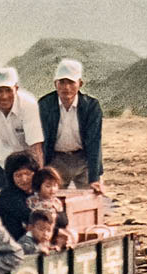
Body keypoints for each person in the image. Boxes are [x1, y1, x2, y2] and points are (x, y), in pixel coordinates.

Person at [38, 59, 104, 193]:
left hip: (83, 160)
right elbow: (41, 141)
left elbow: (94, 142)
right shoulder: (45, 105)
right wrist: (42, 172)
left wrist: (95, 178)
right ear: (55, 84)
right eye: (62, 82)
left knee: (88, 200)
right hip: (56, 160)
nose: (66, 87)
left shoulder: (91, 106)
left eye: (71, 82)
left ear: (80, 83)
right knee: (53, 202)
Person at [0, 67, 44, 190]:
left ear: (16, 89)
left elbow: (36, 146)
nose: (4, 96)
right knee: (0, 200)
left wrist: (39, 181)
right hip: (4, 160)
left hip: (29, 161)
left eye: (8, 90)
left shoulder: (28, 104)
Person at [0, 150, 39, 240]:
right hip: (14, 243)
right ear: (11, 177)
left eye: (27, 174)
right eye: (18, 175)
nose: (24, 179)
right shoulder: (7, 195)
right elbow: (31, 217)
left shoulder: (40, 191)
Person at [26, 166, 70, 245]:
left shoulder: (57, 202)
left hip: (55, 232)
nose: (52, 189)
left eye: (55, 185)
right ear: (39, 186)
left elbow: (64, 221)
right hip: (40, 235)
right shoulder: (33, 201)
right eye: (48, 186)